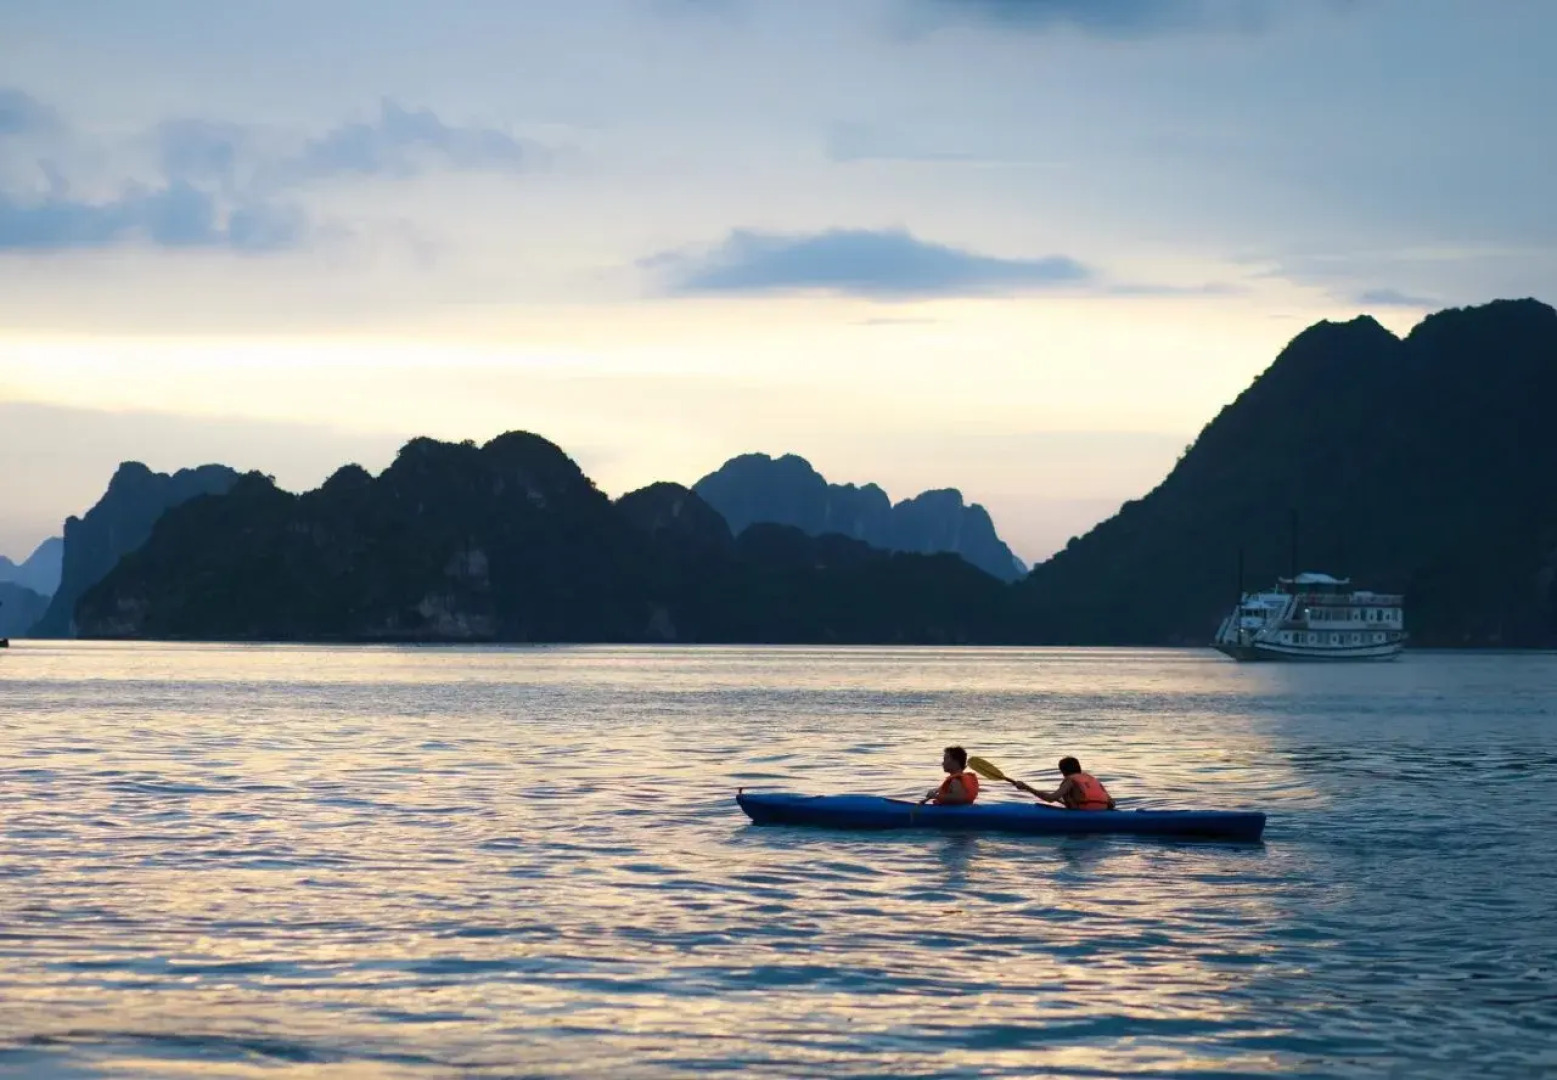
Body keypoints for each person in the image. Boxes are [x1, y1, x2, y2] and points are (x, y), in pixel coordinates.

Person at [1017, 756, 1115, 810]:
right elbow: (1112, 803)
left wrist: (1026, 787)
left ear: (1063, 771)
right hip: (1102, 811)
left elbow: (1051, 798)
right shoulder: (1092, 779)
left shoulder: (1070, 780)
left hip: (1081, 813)